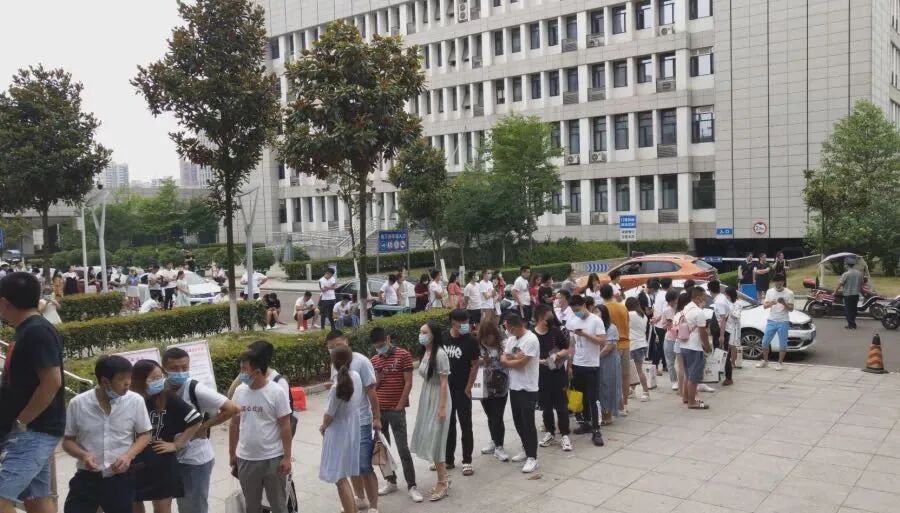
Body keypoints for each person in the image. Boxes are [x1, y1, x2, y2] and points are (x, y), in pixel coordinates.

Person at [0, 272, 65, 513]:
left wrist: (22, 421)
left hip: (33, 432)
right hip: (31, 430)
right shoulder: (28, 330)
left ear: (4, 302)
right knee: (37, 500)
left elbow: (52, 382)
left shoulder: (37, 331)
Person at [62, 356, 152, 513]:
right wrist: (84, 455)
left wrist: (128, 456)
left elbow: (145, 435)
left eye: (129, 377)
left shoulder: (135, 401)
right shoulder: (78, 403)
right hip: (87, 477)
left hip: (119, 477)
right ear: (105, 381)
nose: (128, 383)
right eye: (121, 379)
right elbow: (68, 441)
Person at [161, 347, 240, 513]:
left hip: (195, 460)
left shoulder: (195, 389)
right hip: (174, 458)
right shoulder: (161, 388)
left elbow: (232, 408)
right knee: (184, 505)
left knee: (194, 507)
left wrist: (203, 427)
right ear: (164, 369)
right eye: (174, 368)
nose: (180, 372)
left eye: (184, 367)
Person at [130, 360, 203, 513]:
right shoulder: (129, 399)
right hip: (133, 463)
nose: (159, 382)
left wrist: (177, 444)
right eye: (154, 378)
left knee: (162, 508)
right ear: (139, 380)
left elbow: (195, 419)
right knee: (133, 505)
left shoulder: (167, 397)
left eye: (160, 377)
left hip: (161, 464)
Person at [228, 342, 293, 513]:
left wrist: (287, 457)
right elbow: (234, 424)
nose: (241, 374)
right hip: (246, 459)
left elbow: (285, 426)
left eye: (244, 370)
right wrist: (232, 453)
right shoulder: (240, 391)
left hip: (273, 459)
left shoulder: (276, 392)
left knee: (278, 505)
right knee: (252, 506)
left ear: (257, 372)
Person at [325, 331, 381, 513]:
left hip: (362, 421)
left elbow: (371, 391)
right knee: (351, 464)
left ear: (347, 341)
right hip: (344, 426)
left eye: (338, 345)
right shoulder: (335, 363)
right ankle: (360, 498)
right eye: (331, 347)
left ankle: (373, 506)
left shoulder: (361, 362)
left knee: (364, 465)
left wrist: (376, 418)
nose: (335, 349)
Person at [369, 328, 423, 503]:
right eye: (377, 346)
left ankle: (412, 485)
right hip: (379, 411)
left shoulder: (403, 355)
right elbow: (371, 389)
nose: (380, 348)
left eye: (382, 344)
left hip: (396, 410)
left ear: (388, 338)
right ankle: (390, 481)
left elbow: (408, 382)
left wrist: (400, 405)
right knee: (382, 449)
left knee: (402, 449)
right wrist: (379, 378)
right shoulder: (374, 360)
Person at [409, 321, 452, 502]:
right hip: (427, 397)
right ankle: (443, 478)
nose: (421, 335)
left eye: (425, 332)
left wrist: (441, 408)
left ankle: (443, 482)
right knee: (429, 437)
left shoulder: (440, 354)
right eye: (420, 332)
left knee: (436, 440)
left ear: (433, 334)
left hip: (439, 398)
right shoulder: (425, 352)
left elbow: (444, 383)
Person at [320, 346, 363, 513]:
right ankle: (352, 509)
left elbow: (329, 414)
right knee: (343, 474)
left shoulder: (337, 387)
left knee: (339, 478)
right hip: (352, 429)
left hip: (337, 432)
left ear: (333, 363)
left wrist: (323, 426)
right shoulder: (356, 377)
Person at [500, 314, 540, 473]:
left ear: (513, 326)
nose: (506, 330)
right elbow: (504, 358)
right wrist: (513, 358)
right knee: (518, 421)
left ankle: (532, 457)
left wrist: (511, 360)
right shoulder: (511, 340)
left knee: (528, 423)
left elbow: (523, 363)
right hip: (514, 386)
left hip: (528, 387)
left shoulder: (531, 339)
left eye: (506, 327)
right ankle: (526, 448)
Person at [442, 309, 480, 476]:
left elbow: (475, 365)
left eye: (467, 322)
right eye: (462, 323)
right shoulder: (444, 338)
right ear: (453, 323)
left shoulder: (471, 341)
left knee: (466, 425)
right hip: (446, 389)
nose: (466, 325)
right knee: (448, 425)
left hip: (462, 390)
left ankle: (467, 460)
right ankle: (448, 459)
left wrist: (469, 387)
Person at [566, 295, 606, 446]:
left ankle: (596, 430)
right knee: (579, 396)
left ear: (584, 305)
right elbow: (572, 344)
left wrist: (585, 334)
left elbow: (602, 341)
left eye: (577, 309)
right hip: (578, 364)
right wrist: (570, 364)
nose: (576, 313)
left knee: (593, 398)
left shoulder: (596, 320)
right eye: (573, 310)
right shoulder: (573, 321)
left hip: (592, 365)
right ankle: (584, 423)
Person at [533, 304, 571, 451]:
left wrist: (557, 355)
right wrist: (538, 361)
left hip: (557, 374)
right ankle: (550, 432)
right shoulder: (531, 335)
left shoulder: (555, 332)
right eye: (547, 317)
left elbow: (567, 349)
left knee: (561, 406)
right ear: (540, 318)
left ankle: (565, 435)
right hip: (541, 376)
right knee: (546, 407)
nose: (551, 319)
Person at [475, 321, 509, 461]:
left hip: (500, 386)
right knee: (490, 416)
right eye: (484, 337)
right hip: (484, 387)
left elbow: (509, 360)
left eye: (489, 337)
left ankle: (499, 446)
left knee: (497, 417)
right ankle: (494, 440)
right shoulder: (478, 346)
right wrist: (479, 361)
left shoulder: (503, 345)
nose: (487, 340)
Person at [600, 285, 630, 415]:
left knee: (612, 378)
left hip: (611, 346)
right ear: (612, 293)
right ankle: (624, 404)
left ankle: (616, 405)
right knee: (625, 376)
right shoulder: (622, 307)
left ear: (601, 294)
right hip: (625, 343)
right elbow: (627, 324)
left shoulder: (601, 309)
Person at [681, 287, 712, 409]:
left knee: (688, 373)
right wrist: (707, 346)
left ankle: (686, 397)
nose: (705, 300)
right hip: (694, 347)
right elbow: (703, 332)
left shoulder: (686, 308)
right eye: (704, 297)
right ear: (698, 297)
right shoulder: (699, 312)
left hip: (684, 345)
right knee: (694, 376)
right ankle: (692, 402)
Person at [757, 274, 793, 370]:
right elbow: (765, 306)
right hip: (771, 320)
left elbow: (791, 309)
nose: (778, 284)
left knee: (783, 343)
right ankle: (765, 361)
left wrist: (784, 303)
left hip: (783, 321)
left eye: (780, 282)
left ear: (783, 282)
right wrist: (771, 303)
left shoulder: (789, 293)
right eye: (776, 282)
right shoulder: (770, 292)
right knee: (765, 342)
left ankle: (780, 363)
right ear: (774, 282)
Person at [595, 303, 622, 425]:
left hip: (609, 361)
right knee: (599, 386)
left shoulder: (611, 328)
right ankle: (600, 413)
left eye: (597, 312)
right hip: (596, 361)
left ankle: (608, 414)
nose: (595, 314)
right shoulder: (594, 327)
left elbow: (609, 347)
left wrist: (595, 358)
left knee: (608, 385)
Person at [625, 297, 651, 401]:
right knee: (635, 369)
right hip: (642, 344)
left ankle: (646, 392)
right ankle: (632, 390)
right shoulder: (643, 315)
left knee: (638, 370)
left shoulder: (629, 314)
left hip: (634, 345)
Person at [710, 280, 734, 386]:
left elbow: (723, 319)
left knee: (724, 354)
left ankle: (728, 378)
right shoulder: (721, 298)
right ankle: (717, 374)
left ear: (710, 290)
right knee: (718, 353)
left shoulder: (719, 301)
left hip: (722, 331)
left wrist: (721, 335)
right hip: (721, 330)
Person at [659, 289, 679, 390]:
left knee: (681, 362)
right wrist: (667, 324)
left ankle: (682, 380)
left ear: (676, 299)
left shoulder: (681, 309)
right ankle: (674, 381)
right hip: (669, 339)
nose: (671, 303)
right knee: (670, 362)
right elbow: (662, 325)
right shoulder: (666, 310)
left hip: (680, 339)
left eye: (672, 301)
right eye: (669, 301)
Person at [836, 257, 864, 330]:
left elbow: (840, 284)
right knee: (854, 309)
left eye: (845, 264)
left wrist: (835, 291)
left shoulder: (846, 274)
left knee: (848, 310)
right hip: (856, 294)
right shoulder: (859, 273)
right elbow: (862, 283)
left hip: (848, 295)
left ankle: (851, 325)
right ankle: (852, 323)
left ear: (847, 265)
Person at [724, 285, 743, 373]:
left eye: (727, 294)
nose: (726, 296)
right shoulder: (726, 302)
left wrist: (729, 311)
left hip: (734, 326)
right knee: (727, 344)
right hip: (726, 325)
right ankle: (726, 362)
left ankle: (733, 362)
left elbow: (737, 315)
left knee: (733, 345)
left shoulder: (738, 303)